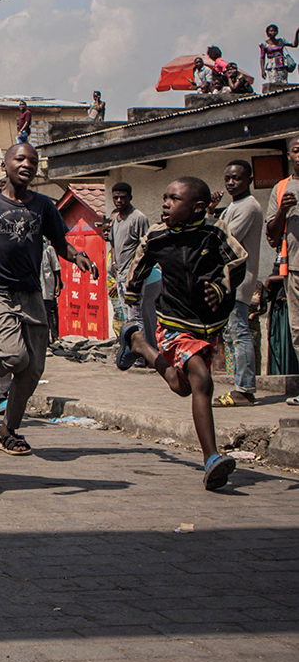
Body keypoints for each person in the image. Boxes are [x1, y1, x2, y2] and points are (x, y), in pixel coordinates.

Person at [0, 144, 97, 455]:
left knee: (34, 367)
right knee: (14, 356)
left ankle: (9, 430)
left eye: (33, 161)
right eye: (20, 159)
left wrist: (77, 257)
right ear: (5, 165)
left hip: (31, 292)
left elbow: (59, 241)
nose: (27, 165)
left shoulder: (43, 206)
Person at [118, 177, 247, 490]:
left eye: (174, 199)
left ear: (197, 207)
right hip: (174, 322)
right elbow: (138, 269)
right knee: (202, 378)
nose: (166, 203)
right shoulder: (157, 236)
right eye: (164, 197)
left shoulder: (214, 232)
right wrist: (131, 301)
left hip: (208, 325)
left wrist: (221, 289)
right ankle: (212, 459)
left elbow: (238, 261)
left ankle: (138, 344)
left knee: (181, 386)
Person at [215, 160, 262, 407]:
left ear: (249, 181)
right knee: (233, 334)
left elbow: (225, 241)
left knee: (239, 331)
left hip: (238, 280)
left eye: (237, 179)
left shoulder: (248, 207)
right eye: (228, 179)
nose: (231, 183)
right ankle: (240, 385)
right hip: (230, 280)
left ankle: (244, 389)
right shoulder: (234, 206)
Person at [265, 135, 299, 382]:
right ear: (289, 155)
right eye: (297, 150)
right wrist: (283, 210)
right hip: (295, 269)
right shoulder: (281, 188)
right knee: (297, 330)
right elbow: (273, 238)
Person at [104, 182, 151, 330]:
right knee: (126, 316)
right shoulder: (116, 220)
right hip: (120, 276)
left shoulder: (138, 218)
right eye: (116, 197)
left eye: (122, 197)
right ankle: (130, 348)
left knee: (135, 316)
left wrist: (137, 273)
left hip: (134, 277)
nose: (119, 201)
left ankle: (139, 352)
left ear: (130, 197)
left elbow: (146, 248)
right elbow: (112, 242)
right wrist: (114, 262)